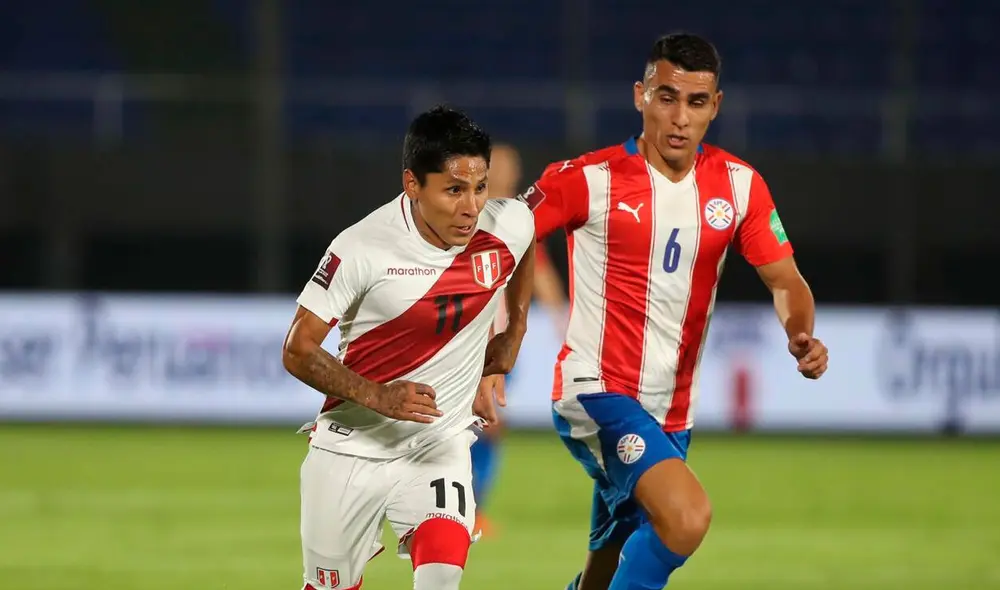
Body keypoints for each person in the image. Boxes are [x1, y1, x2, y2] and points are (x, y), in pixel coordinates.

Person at [518, 33, 830, 590]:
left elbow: (786, 279)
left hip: (671, 411)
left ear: (716, 106)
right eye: (666, 97)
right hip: (596, 390)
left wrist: (800, 332)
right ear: (640, 96)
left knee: (605, 568)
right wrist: (505, 334)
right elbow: (507, 239)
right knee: (685, 518)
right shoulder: (589, 179)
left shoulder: (739, 187)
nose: (680, 117)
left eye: (696, 102)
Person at [282, 105, 535, 590]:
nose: (471, 207)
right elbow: (297, 348)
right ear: (413, 184)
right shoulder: (362, 247)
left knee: (442, 573)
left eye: (480, 187)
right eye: (454, 190)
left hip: (439, 442)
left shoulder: (506, 223)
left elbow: (526, 239)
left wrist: (515, 330)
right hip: (352, 447)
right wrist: (377, 395)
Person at [471, 143, 570, 536]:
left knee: (485, 427)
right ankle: (457, 509)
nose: (507, 174)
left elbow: (539, 272)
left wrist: (563, 320)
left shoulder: (517, 222)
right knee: (479, 426)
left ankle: (467, 509)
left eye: (511, 167)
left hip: (499, 347)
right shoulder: (464, 217)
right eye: (500, 166)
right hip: (465, 342)